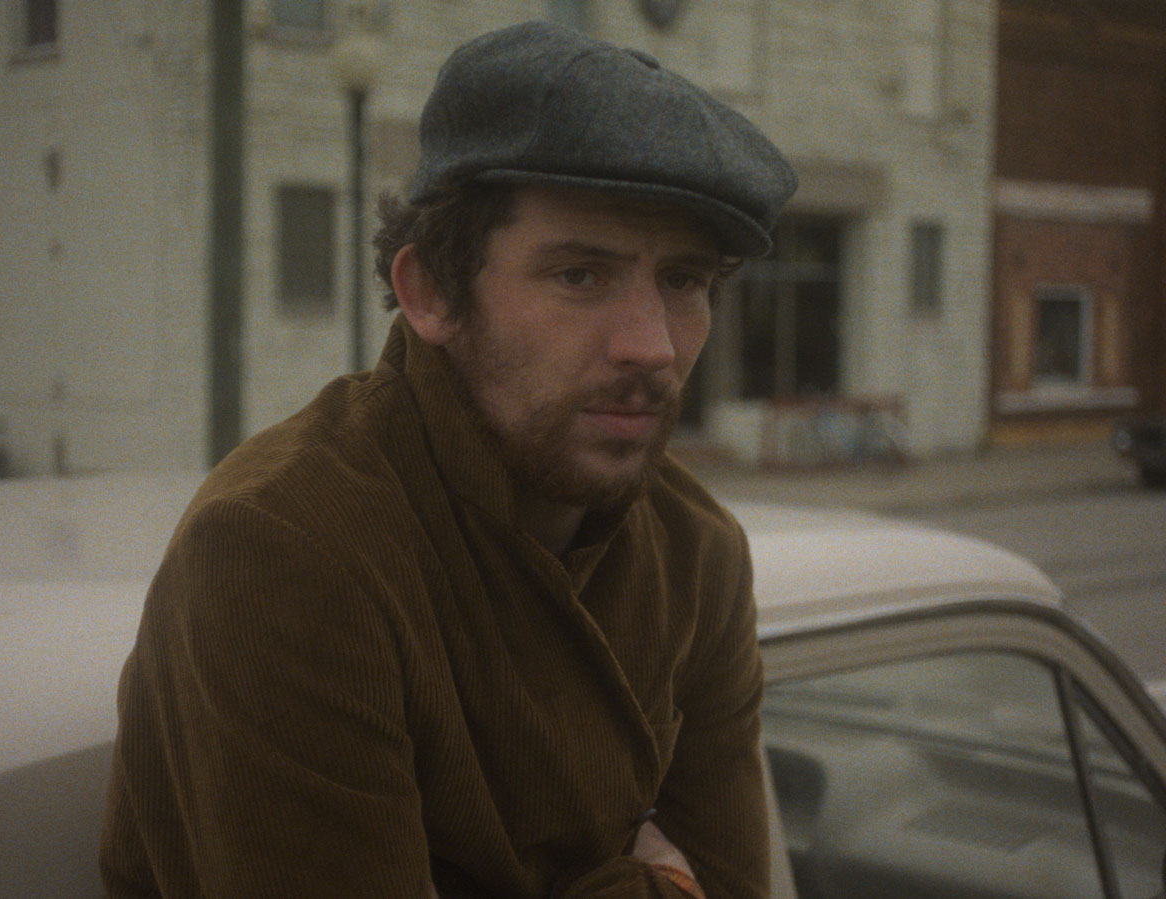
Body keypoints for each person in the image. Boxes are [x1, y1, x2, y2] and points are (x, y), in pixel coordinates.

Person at [100, 20, 796, 898]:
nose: (652, 345)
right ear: (428, 291)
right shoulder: (287, 549)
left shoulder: (695, 552)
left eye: (686, 280)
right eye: (581, 274)